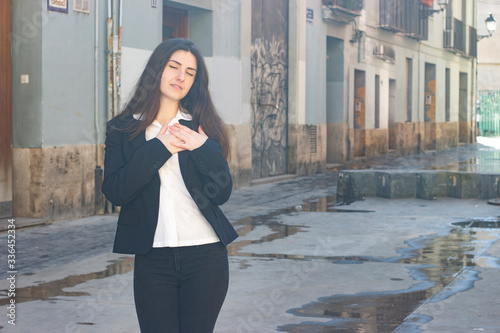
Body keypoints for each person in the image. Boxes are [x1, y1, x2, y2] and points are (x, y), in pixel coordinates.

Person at [101, 38, 238, 333]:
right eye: (174, 66)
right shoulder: (122, 129)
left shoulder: (201, 126)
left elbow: (222, 192)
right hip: (154, 258)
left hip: (206, 256)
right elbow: (116, 191)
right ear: (156, 69)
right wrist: (159, 147)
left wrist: (203, 147)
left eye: (190, 72)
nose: (180, 77)